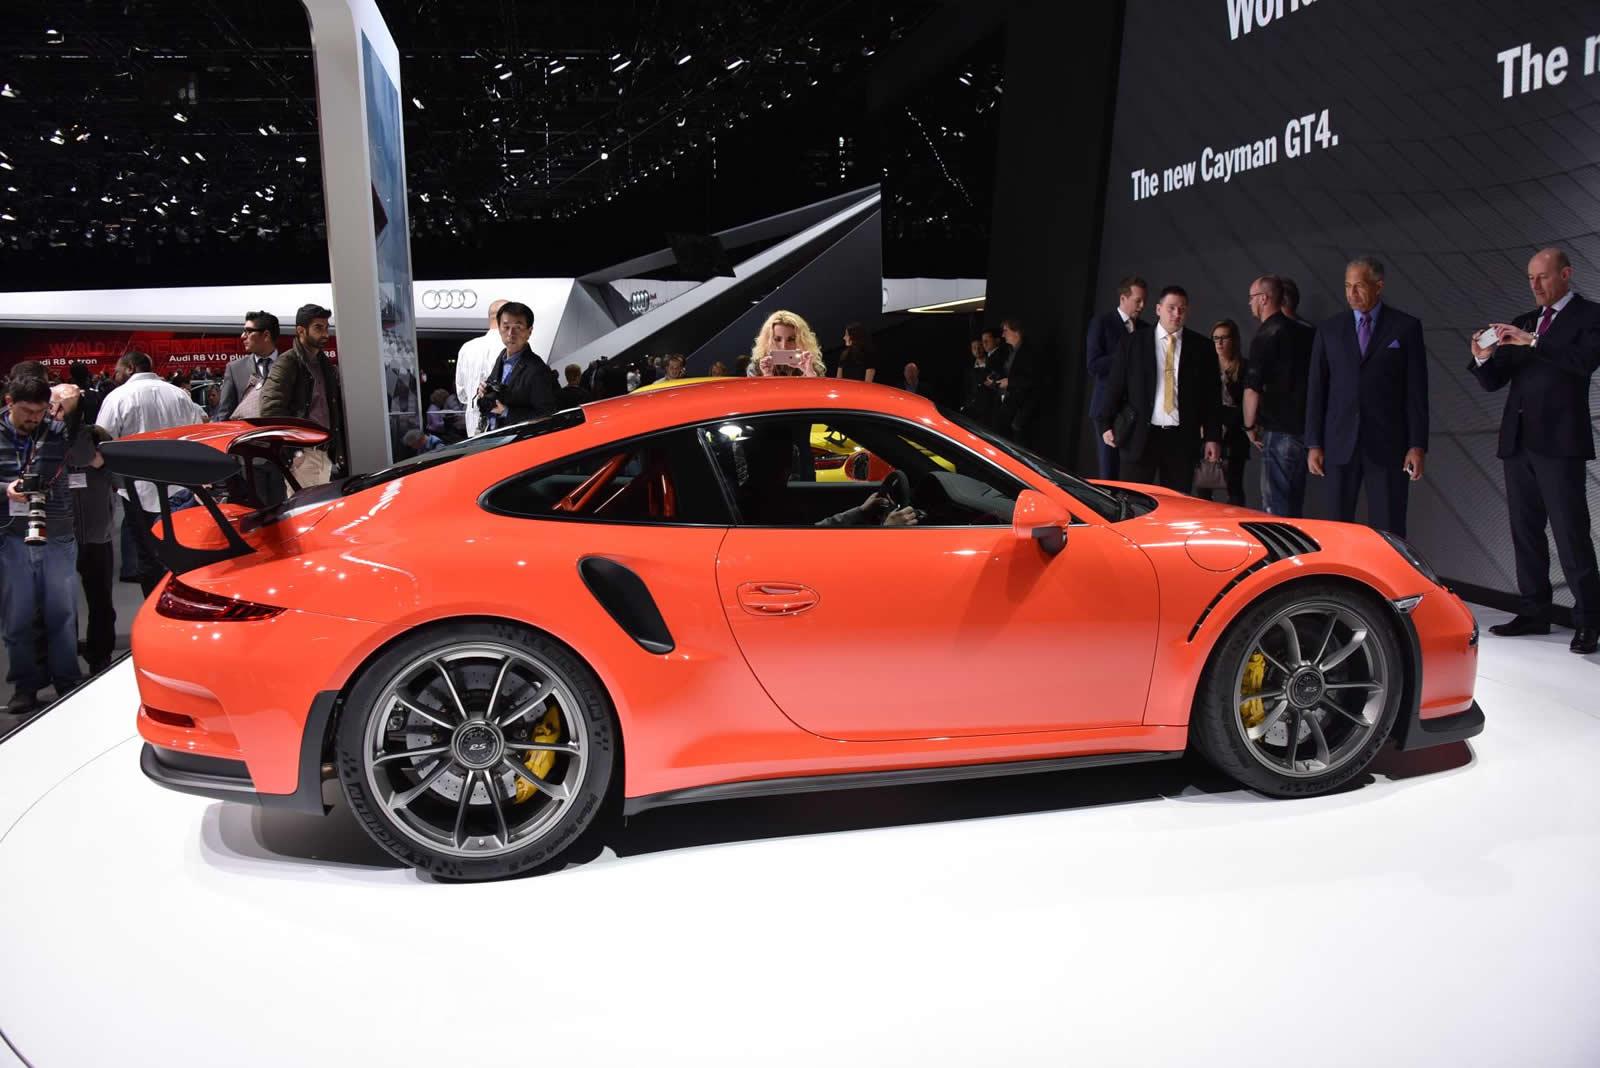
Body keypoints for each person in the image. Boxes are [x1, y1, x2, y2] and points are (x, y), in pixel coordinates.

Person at [1470, 247, 1600, 654]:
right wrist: (1482, 357)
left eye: (1542, 277)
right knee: (1525, 532)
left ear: (1566, 274)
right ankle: (1534, 611)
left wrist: (1535, 341)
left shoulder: (1590, 316)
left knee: (1570, 532)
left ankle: (1589, 620)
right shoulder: (1525, 320)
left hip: (1560, 444)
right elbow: (1494, 381)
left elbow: (1583, 362)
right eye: (1530, 278)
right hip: (1518, 442)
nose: (1535, 285)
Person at [1305, 256, 1428, 536]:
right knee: (1336, 528)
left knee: (1389, 528)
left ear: (1379, 286)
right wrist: (1314, 442)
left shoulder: (1405, 328)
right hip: (1339, 442)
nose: (1352, 293)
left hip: (1388, 444)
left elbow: (1416, 391)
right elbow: (1317, 389)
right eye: (1347, 286)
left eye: (1359, 286)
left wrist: (1417, 445)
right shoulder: (1329, 330)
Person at [1, 375, 91, 714]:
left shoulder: (56, 430)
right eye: (27, 412)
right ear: (9, 402)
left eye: (40, 412)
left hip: (58, 533)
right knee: (17, 618)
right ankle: (25, 686)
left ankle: (67, 680)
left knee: (62, 614)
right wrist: (6, 489)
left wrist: (74, 411)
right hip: (10, 535)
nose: (34, 419)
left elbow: (84, 454)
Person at [96, 351, 210, 595]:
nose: (115, 374)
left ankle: (154, 605)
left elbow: (103, 442)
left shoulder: (118, 397)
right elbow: (200, 433)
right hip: (181, 489)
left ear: (130, 367)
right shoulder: (179, 394)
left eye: (118, 369)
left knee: (147, 557)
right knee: (183, 554)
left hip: (137, 490)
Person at [1098, 286, 1222, 492]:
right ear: (1158, 309)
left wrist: (1213, 436)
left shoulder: (1202, 348)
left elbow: (1212, 397)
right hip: (1140, 435)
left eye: (1182, 309)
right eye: (1171, 308)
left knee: (1177, 501)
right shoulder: (1133, 342)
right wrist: (1105, 422)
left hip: (1181, 438)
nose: (1177, 314)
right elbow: (1116, 384)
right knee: (1132, 499)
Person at [1242, 274, 1315, 517]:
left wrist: (1249, 426)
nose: (1250, 303)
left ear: (1264, 299)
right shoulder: (1308, 334)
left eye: (1252, 297)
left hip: (1277, 431)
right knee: (1295, 506)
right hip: (1304, 431)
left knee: (1275, 509)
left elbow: (1252, 388)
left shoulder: (1266, 334)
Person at [260, 303, 346, 485]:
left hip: (323, 453)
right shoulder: (288, 362)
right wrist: (293, 452)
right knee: (306, 504)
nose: (325, 334)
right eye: (318, 328)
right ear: (301, 331)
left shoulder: (324, 364)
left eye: (326, 327)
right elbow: (270, 411)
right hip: (303, 455)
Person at [1086, 275, 1147, 479]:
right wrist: (1125, 357)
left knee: (1132, 474)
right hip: (1106, 409)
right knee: (1109, 473)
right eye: (1138, 300)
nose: (1142, 306)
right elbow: (1093, 365)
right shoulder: (1102, 323)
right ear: (1123, 298)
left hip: (1135, 411)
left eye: (1144, 301)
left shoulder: (1146, 329)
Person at [73, 425, 117, 674]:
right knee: (60, 604)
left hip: (98, 537)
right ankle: (65, 654)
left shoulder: (102, 447)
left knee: (100, 600)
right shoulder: (55, 452)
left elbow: (121, 481)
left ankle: (100, 653)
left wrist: (105, 462)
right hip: (64, 537)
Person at [479, 301, 559, 429]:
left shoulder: (537, 369)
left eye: (518, 327)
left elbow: (546, 414)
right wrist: (484, 390)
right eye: (506, 327)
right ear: (499, 328)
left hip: (521, 437)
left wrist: (506, 412)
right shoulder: (502, 357)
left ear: (529, 331)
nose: (511, 333)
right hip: (494, 433)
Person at [1197, 319, 1249, 505]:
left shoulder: (1244, 368)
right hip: (1206, 432)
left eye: (1224, 338)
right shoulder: (1205, 367)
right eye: (1215, 338)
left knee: (1234, 486)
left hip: (1235, 434)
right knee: (1203, 485)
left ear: (1233, 340)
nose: (1218, 343)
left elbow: (1245, 406)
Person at [456, 298, 508, 436]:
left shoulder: (467, 348)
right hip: (501, 424)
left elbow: (462, 395)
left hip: (473, 425)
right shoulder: (510, 348)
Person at [218, 310, 280, 420]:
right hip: (246, 430)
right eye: (244, 331)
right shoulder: (235, 368)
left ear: (266, 335)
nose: (243, 336)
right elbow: (224, 413)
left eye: (248, 331)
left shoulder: (292, 365)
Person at [997, 318, 1042, 440]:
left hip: (1021, 411)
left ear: (1016, 332)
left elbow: (1033, 380)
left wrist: (1009, 382)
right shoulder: (1011, 351)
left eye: (1006, 330)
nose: (1003, 335)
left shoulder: (1030, 352)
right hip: (1009, 408)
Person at [747, 310, 826, 377]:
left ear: (802, 340)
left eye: (791, 339)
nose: (784, 346)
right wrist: (767, 375)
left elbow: (819, 391)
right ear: (767, 340)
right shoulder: (757, 367)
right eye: (777, 339)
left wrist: (809, 374)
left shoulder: (812, 366)